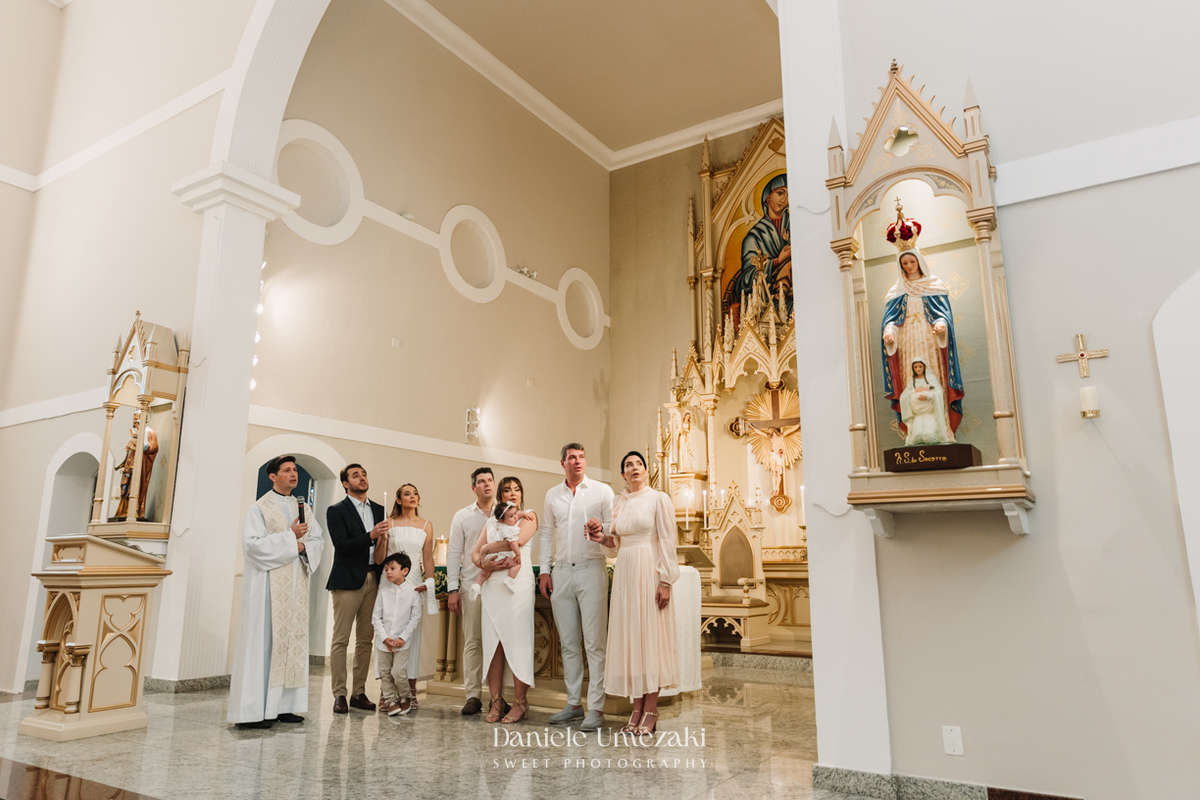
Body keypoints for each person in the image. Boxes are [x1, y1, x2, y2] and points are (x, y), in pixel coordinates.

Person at [227, 455, 325, 729]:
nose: (293, 474)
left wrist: (304, 547)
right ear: (273, 476)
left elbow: (317, 540)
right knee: (264, 645)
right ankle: (251, 712)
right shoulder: (259, 508)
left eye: (295, 470)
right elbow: (253, 546)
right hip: (267, 592)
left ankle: (284, 706)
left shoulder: (301, 506)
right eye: (287, 470)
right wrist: (290, 538)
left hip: (295, 591)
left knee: (291, 644)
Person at [588, 451, 679, 736]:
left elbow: (667, 539)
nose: (634, 468)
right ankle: (636, 707)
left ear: (646, 470)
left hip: (648, 571)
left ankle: (651, 708)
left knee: (649, 638)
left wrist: (665, 581)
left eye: (639, 464)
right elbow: (614, 543)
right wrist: (599, 536)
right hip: (626, 573)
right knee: (631, 640)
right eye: (629, 465)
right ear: (623, 475)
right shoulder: (619, 502)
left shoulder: (658, 499)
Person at [538, 443, 614, 732]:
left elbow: (612, 530)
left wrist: (601, 529)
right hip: (561, 573)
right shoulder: (552, 495)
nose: (578, 461)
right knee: (569, 643)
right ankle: (573, 704)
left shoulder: (602, 491)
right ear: (563, 463)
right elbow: (546, 533)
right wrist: (545, 571)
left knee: (595, 643)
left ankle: (596, 707)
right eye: (572, 458)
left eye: (582, 457)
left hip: (591, 569)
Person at [880, 203, 963, 440]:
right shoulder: (896, 291)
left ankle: (943, 430)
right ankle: (914, 432)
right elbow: (891, 319)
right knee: (911, 382)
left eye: (911, 262)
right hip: (906, 344)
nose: (908, 266)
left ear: (918, 261)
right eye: (904, 263)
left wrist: (941, 325)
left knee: (934, 381)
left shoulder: (934, 286)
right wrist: (889, 331)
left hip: (929, 341)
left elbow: (943, 315)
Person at [325, 463, 390, 714]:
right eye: (355, 475)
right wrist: (371, 535)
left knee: (365, 639)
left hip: (374, 577)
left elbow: (383, 544)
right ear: (345, 483)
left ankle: (359, 693)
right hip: (347, 579)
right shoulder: (336, 511)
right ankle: (339, 694)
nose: (361, 478)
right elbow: (341, 545)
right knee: (341, 640)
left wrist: (383, 540)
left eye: (363, 474)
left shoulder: (379, 509)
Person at [473, 477, 538, 723]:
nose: (512, 493)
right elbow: (474, 554)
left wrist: (487, 549)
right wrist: (483, 562)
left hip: (517, 585)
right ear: (500, 495)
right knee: (494, 645)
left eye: (517, 489)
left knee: (518, 642)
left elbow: (517, 542)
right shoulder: (491, 521)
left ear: (522, 493)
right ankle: (496, 700)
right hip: (492, 588)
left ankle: (521, 702)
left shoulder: (529, 516)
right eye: (507, 490)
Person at [374, 483, 437, 708]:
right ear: (399, 500)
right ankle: (386, 692)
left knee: (411, 634)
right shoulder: (388, 523)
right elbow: (379, 559)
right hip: (390, 579)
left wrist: (429, 582)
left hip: (414, 581)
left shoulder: (426, 525)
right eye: (407, 494)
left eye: (415, 493)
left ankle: (409, 690)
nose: (412, 496)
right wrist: (381, 539)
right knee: (388, 626)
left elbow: (428, 557)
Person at [447, 467, 496, 715]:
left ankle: (497, 697)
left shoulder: (505, 512)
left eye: (489, 480)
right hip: (471, 586)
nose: (486, 484)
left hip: (499, 587)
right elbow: (454, 553)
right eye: (481, 481)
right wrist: (453, 589)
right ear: (473, 487)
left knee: (499, 642)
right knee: (473, 640)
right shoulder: (462, 516)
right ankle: (473, 696)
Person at [723, 173, 791, 325]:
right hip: (766, 301)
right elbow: (743, 282)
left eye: (788, 195)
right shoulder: (753, 238)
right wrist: (778, 260)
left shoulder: (796, 226)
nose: (784, 199)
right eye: (780, 193)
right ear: (767, 197)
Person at [372, 552, 423, 717]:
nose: (388, 572)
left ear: (405, 571)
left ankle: (406, 697)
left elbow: (415, 618)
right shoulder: (383, 593)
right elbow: (376, 618)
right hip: (383, 642)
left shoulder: (413, 593)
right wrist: (385, 638)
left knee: (398, 672)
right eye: (386, 569)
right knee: (385, 672)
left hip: (403, 642)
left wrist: (402, 638)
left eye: (392, 568)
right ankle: (390, 701)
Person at [470, 502, 525, 598]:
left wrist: (523, 514)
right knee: (517, 564)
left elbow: (514, 514)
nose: (516, 517)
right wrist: (518, 554)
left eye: (516, 514)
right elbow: (513, 543)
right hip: (502, 556)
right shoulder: (509, 529)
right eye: (512, 516)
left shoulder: (498, 525)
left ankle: (477, 585)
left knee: (485, 574)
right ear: (502, 520)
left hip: (490, 556)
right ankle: (509, 580)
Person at [900, 358, 951, 445]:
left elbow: (938, 392)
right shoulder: (913, 381)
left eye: (920, 366)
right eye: (915, 367)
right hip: (918, 414)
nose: (918, 369)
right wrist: (915, 391)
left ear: (924, 367)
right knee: (916, 437)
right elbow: (904, 396)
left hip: (930, 414)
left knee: (929, 436)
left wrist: (929, 396)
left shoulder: (930, 379)